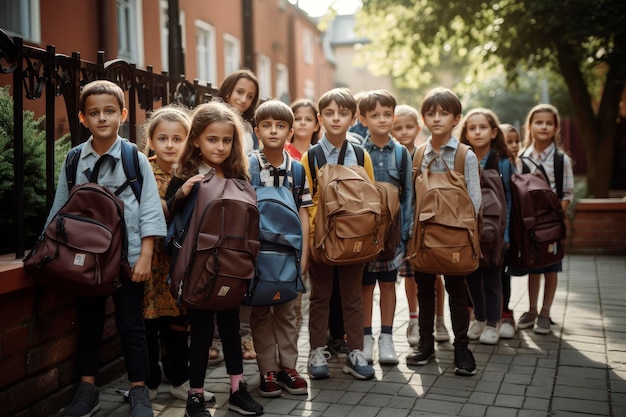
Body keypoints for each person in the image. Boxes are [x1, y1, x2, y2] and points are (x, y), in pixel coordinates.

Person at [49, 80, 167, 417]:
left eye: (110, 111)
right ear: (83, 118)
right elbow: (61, 208)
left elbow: (149, 209)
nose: (103, 118)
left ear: (123, 114)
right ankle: (87, 389)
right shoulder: (74, 160)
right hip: (86, 262)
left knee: (132, 326)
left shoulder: (134, 158)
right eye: (95, 113)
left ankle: (139, 390)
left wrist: (145, 255)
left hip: (128, 260)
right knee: (89, 325)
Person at [164, 101, 264, 416]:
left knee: (232, 330)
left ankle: (237, 388)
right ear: (195, 139)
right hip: (198, 268)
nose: (219, 147)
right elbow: (167, 214)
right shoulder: (186, 175)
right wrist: (182, 193)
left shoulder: (238, 175)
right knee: (202, 334)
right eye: (212, 139)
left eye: (226, 140)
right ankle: (195, 394)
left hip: (232, 268)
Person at [138, 105, 215, 402]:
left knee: (178, 324)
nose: (170, 145)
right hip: (149, 258)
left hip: (179, 263)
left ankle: (179, 379)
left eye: (177, 139)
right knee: (148, 324)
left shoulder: (193, 173)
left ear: (189, 141)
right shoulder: (143, 171)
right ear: (152, 141)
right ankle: (148, 381)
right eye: (163, 138)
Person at [300, 88, 376, 380]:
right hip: (321, 239)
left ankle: (355, 351)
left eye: (343, 113)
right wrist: (311, 240)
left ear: (353, 118)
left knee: (352, 297)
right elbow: (305, 201)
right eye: (329, 113)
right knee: (320, 297)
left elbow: (370, 197)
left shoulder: (360, 154)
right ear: (320, 118)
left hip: (354, 238)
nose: (336, 119)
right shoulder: (311, 156)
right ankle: (317, 350)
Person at [405, 87, 481, 376]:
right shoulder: (419, 154)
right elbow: (412, 198)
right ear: (424, 119)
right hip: (424, 237)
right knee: (425, 291)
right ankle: (426, 344)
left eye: (444, 113)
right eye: (431, 113)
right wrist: (411, 234)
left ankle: (461, 347)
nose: (437, 118)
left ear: (456, 119)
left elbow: (475, 201)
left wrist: (465, 236)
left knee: (457, 291)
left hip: (455, 237)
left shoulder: (465, 155)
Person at [248, 100, 313, 398]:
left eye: (280, 125)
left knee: (289, 313)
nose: (273, 131)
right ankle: (267, 371)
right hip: (258, 256)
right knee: (260, 314)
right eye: (267, 125)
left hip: (289, 256)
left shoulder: (297, 171)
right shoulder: (247, 166)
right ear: (256, 129)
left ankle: (289, 367)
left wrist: (305, 255)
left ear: (289, 131)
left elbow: (303, 214)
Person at [358, 90, 413, 365]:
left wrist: (405, 234)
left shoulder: (402, 153)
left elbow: (408, 196)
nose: (382, 119)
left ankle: (387, 338)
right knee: (366, 287)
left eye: (386, 114)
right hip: (366, 234)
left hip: (392, 238)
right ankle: (366, 338)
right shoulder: (358, 151)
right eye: (375, 115)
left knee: (389, 286)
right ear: (363, 118)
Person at [392, 105, 450, 346]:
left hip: (425, 224)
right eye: (398, 128)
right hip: (402, 227)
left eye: (408, 127)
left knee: (434, 274)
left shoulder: (423, 154)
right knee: (409, 276)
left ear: (418, 127)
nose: (404, 132)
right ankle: (413, 319)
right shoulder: (392, 154)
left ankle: (439, 319)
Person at [513, 104, 574, 335]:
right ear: (529, 126)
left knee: (551, 267)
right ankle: (530, 309)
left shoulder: (561, 160)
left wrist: (555, 216)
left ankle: (545, 312)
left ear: (556, 128)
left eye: (549, 123)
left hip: (551, 223)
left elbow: (567, 193)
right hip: (529, 222)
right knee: (533, 266)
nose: (544, 126)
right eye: (539, 122)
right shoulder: (521, 158)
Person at [459, 108, 515, 345]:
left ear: (494, 132)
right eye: (472, 128)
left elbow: (510, 199)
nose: (477, 132)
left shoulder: (501, 161)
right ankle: (479, 319)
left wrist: (507, 232)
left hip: (495, 231)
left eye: (482, 127)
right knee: (472, 276)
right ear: (466, 134)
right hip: (468, 228)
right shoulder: (462, 158)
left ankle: (494, 322)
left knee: (493, 278)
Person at [218, 69, 260, 362]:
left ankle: (244, 336)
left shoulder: (248, 128)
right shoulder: (211, 117)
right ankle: (211, 338)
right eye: (240, 92)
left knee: (241, 267)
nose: (243, 99)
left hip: (241, 202)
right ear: (228, 89)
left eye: (250, 96)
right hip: (214, 202)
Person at [287, 99, 320, 333]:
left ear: (317, 124)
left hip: (317, 227)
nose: (302, 123)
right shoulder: (284, 151)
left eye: (308, 119)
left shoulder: (318, 154)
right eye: (297, 118)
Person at [499, 123, 522, 338]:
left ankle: (505, 312)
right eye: (509, 141)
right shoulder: (496, 163)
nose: (514, 145)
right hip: (491, 229)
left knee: (504, 274)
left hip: (508, 230)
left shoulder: (513, 164)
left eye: (517, 141)